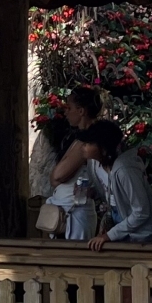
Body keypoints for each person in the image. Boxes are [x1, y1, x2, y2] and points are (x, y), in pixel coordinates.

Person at [86, 120, 152, 250]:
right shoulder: (102, 166)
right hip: (125, 230)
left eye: (89, 143)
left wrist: (109, 236)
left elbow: (141, 212)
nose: (84, 147)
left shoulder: (125, 170)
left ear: (103, 149)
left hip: (141, 237)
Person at [50, 86, 108, 241]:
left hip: (74, 212)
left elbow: (57, 176)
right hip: (71, 209)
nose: (66, 112)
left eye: (69, 108)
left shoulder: (86, 143)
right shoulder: (82, 139)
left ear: (81, 111)